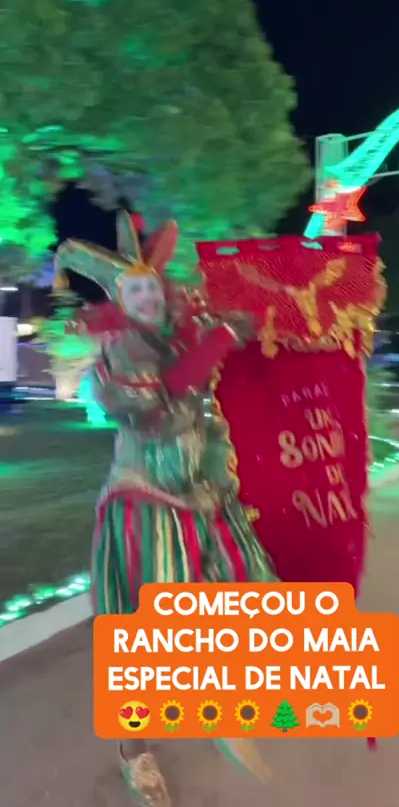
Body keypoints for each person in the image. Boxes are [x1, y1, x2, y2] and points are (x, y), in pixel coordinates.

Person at [54, 212, 274, 807]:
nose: (149, 299)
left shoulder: (180, 337)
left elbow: (204, 414)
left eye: (153, 288)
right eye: (135, 292)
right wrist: (215, 345)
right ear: (121, 302)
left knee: (239, 593)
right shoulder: (122, 351)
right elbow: (161, 411)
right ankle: (134, 751)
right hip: (144, 506)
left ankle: (220, 702)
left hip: (199, 500)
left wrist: (216, 474)